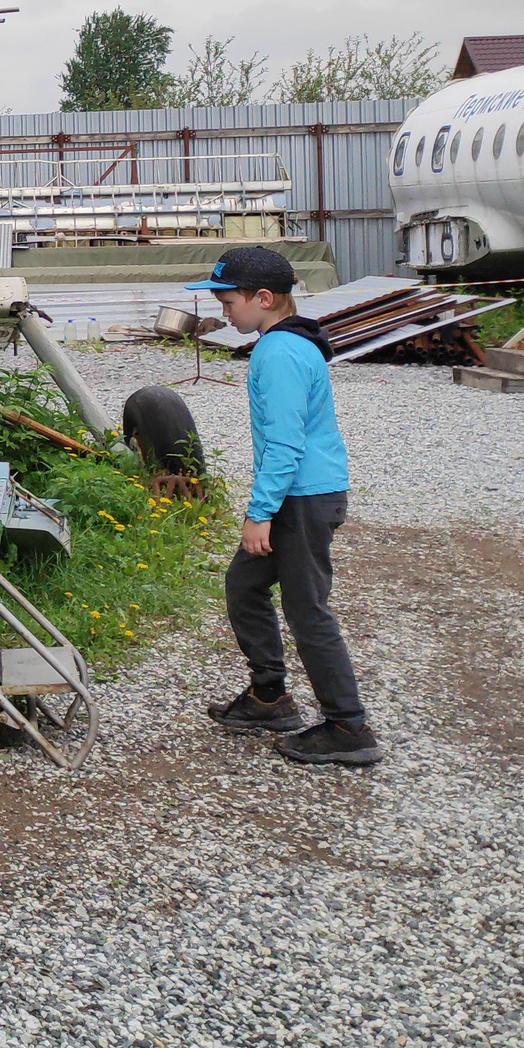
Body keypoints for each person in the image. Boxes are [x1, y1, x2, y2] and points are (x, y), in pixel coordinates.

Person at [189, 246, 381, 767]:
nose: (224, 311)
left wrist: (260, 512)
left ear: (264, 299)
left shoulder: (279, 353)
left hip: (301, 499)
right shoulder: (289, 342)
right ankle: (269, 697)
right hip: (298, 495)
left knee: (306, 610)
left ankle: (349, 726)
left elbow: (286, 444)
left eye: (228, 301)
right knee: (245, 584)